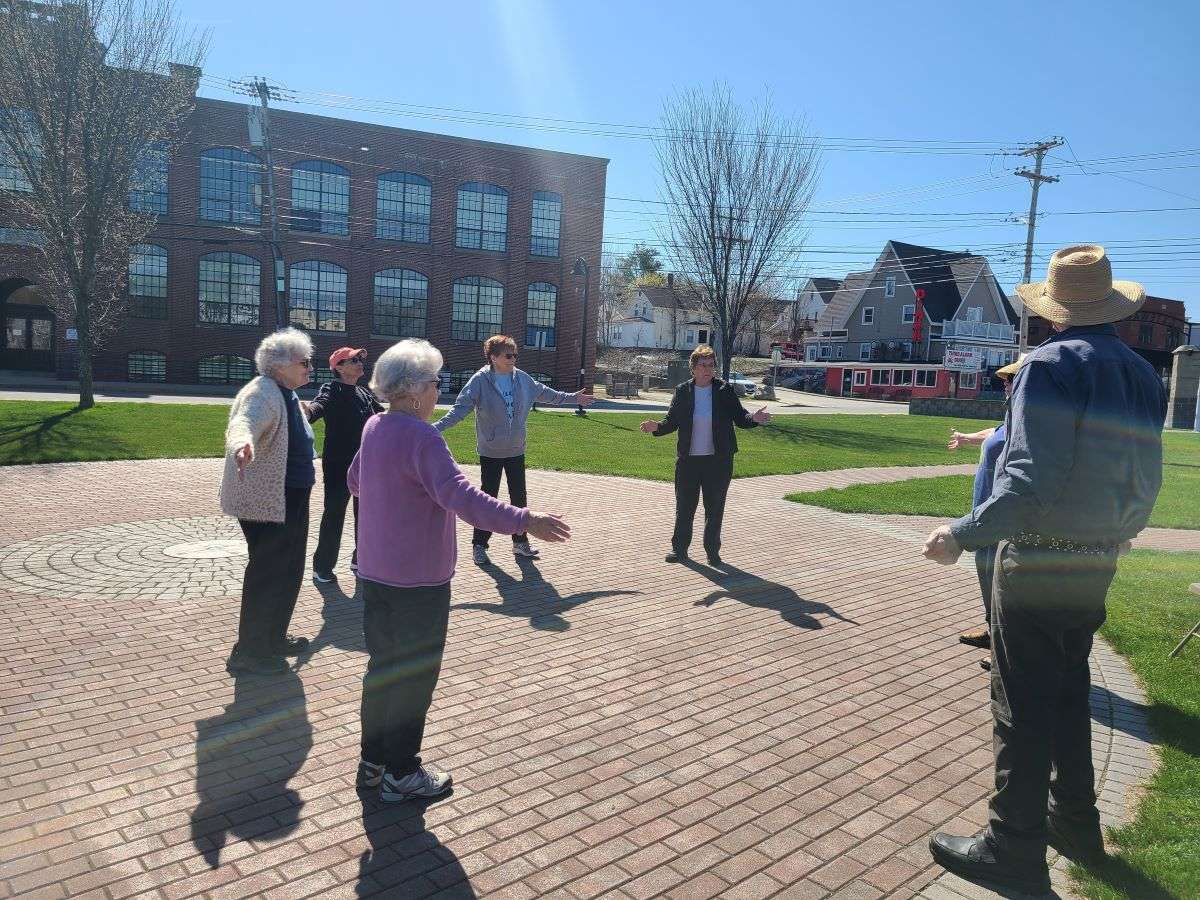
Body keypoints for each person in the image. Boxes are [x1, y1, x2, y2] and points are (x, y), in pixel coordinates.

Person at [922, 246, 1166, 894]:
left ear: (1057, 310)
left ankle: (1011, 847)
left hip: (1034, 565)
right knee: (1065, 698)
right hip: (1096, 566)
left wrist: (960, 534)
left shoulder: (1049, 366)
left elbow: (1028, 481)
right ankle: (1076, 825)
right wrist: (1118, 535)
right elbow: (1147, 483)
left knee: (1019, 709)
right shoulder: (1143, 375)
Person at [349, 338, 571, 801]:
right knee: (415, 676)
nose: (438, 392)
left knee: (384, 670)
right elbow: (463, 498)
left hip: (374, 574)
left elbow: (355, 480)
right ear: (411, 391)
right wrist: (525, 519)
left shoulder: (375, 426)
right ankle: (401, 773)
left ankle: (372, 764)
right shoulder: (422, 436)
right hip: (417, 581)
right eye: (434, 383)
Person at [435, 334, 593, 565]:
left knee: (519, 497)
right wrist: (434, 429)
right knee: (487, 498)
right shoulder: (480, 381)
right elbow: (459, 410)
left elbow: (549, 394)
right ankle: (479, 546)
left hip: (516, 450)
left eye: (515, 355)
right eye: (508, 355)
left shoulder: (522, 379)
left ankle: (520, 543)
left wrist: (574, 398)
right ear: (493, 357)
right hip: (491, 450)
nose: (513, 359)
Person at [219, 327, 317, 676]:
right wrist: (242, 444)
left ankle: (273, 637)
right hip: (269, 499)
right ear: (279, 365)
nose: (309, 367)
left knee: (288, 569)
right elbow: (244, 422)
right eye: (303, 362)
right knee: (268, 571)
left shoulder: (285, 393)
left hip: (291, 495)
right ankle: (248, 651)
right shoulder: (261, 392)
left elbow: (295, 425)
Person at [639, 344, 771, 567]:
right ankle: (679, 550)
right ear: (693, 368)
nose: (707, 370)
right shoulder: (683, 391)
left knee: (714, 508)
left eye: (711, 365)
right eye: (702, 365)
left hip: (718, 461)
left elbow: (740, 418)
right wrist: (656, 427)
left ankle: (712, 551)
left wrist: (754, 419)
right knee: (685, 507)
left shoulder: (724, 391)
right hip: (688, 461)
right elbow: (672, 422)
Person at [946, 354, 1026, 660]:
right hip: (985, 513)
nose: (1004, 384)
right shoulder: (1012, 415)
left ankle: (1005, 645)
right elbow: (994, 434)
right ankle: (993, 631)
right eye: (1005, 379)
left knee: (1000, 576)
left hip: (1001, 513)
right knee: (984, 568)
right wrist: (967, 438)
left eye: (1010, 379)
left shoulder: (1027, 419)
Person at [305, 346, 384, 583]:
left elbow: (384, 418)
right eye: (353, 360)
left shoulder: (364, 393)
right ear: (338, 367)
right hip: (339, 465)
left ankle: (361, 559)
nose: (360, 362)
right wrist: (306, 412)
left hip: (365, 465)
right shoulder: (331, 388)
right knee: (334, 513)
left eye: (361, 358)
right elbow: (319, 405)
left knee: (366, 515)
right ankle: (322, 566)